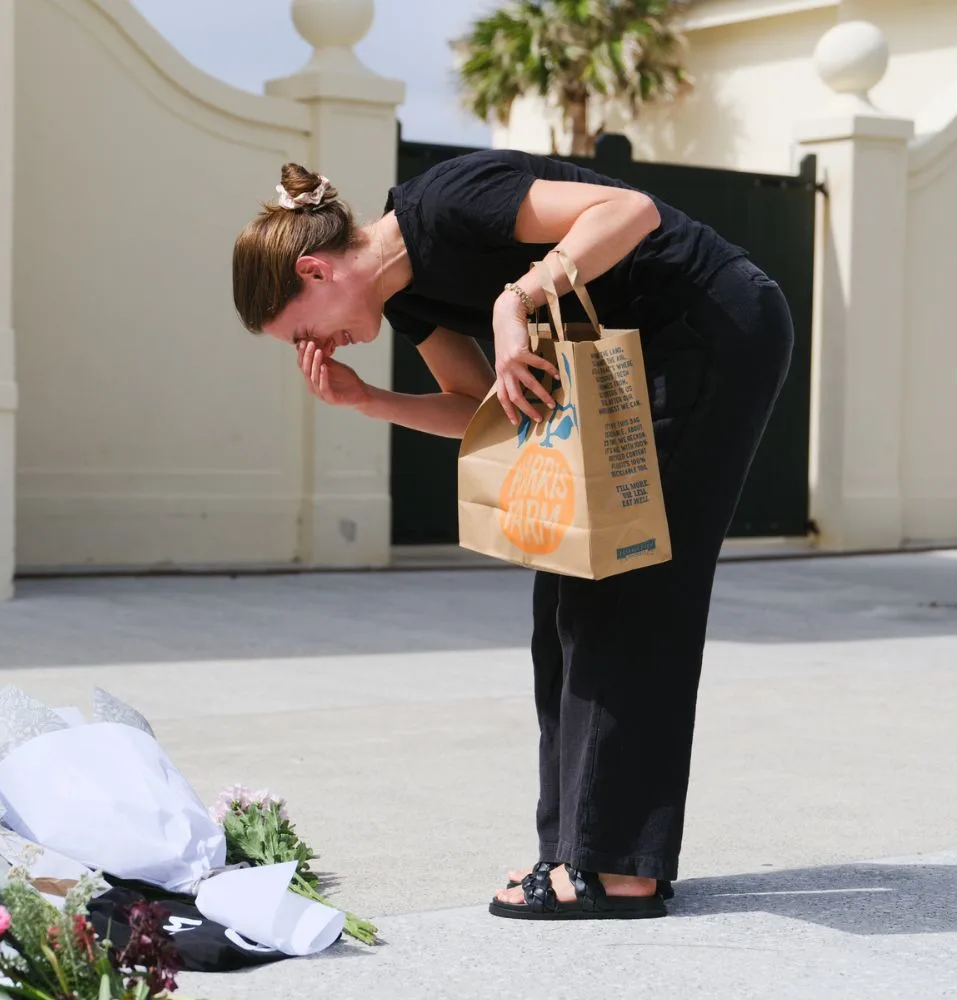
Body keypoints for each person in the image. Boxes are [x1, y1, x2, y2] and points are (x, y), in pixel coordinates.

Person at [231, 150, 793, 919]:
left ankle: (616, 869)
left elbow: (631, 213)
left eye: (305, 332)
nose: (319, 350)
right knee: (563, 601)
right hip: (629, 363)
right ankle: (577, 851)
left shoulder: (446, 203)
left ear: (315, 272)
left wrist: (514, 301)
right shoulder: (407, 300)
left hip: (711, 327)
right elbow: (484, 405)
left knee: (632, 591)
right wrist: (370, 401)